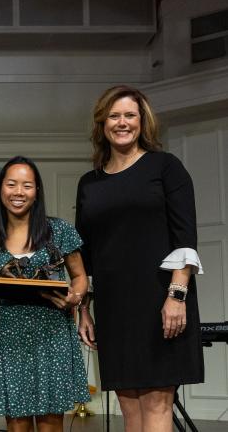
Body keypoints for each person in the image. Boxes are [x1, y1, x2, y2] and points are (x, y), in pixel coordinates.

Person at [75, 85, 204, 432]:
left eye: (129, 115)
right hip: (114, 307)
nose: (122, 122)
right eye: (114, 116)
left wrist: (177, 296)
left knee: (157, 403)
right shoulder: (89, 182)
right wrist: (84, 309)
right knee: (129, 408)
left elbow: (185, 238)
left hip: (161, 299)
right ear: (102, 124)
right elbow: (84, 251)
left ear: (142, 121)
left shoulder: (166, 167)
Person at [0, 156, 90, 432]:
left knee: (50, 426)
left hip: (53, 337)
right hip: (11, 338)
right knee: (17, 427)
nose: (18, 192)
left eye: (27, 185)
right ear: (0, 189)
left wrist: (75, 298)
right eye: (11, 184)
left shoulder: (59, 230)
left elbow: (80, 278)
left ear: (37, 191)